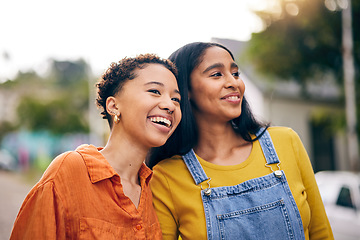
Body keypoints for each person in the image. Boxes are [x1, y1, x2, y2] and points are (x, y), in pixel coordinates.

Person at [148, 42, 334, 240]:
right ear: (185, 90)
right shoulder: (166, 177)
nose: (234, 83)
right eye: (217, 74)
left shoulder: (286, 141)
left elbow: (321, 232)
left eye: (235, 73)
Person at [10, 54, 182, 239]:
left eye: (176, 99)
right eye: (155, 91)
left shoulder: (154, 189)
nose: (169, 105)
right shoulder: (69, 170)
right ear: (113, 106)